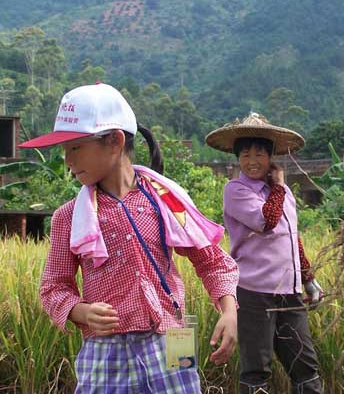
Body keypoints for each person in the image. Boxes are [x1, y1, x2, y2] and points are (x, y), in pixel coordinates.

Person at [19, 83, 239, 393]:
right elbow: (54, 287)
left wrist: (229, 312)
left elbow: (212, 261)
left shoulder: (166, 200)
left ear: (115, 141)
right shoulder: (69, 217)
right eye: (65, 150)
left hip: (173, 336)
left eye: (75, 148)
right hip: (105, 348)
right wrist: (82, 312)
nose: (67, 160)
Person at [206, 113, 323, 394]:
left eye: (259, 154)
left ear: (271, 156)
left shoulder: (283, 193)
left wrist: (308, 278)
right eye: (245, 155)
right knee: (256, 369)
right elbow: (266, 221)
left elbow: (291, 238)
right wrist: (279, 186)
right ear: (238, 158)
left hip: (289, 292)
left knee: (305, 366)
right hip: (254, 292)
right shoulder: (236, 190)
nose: (252, 161)